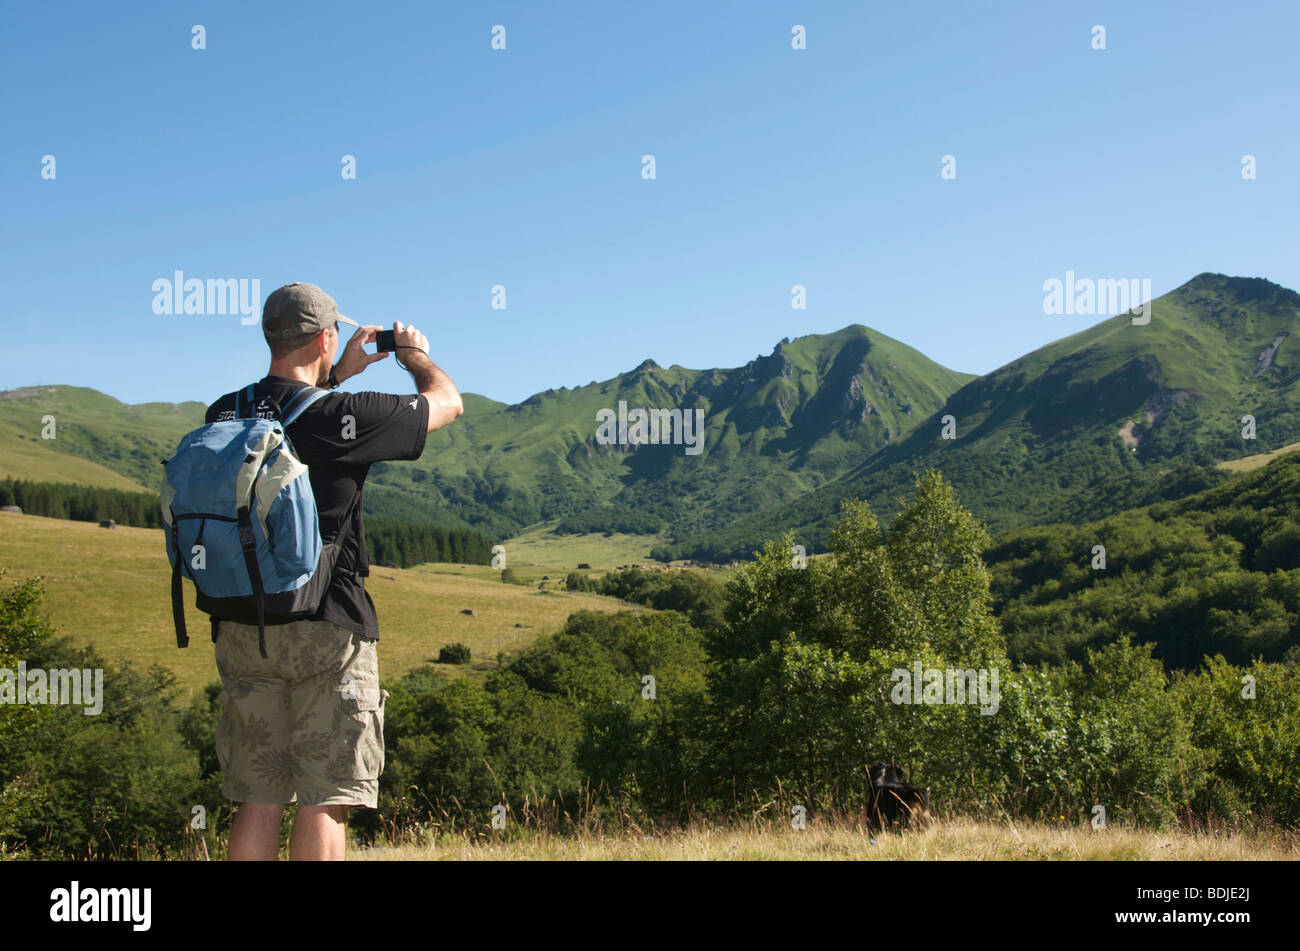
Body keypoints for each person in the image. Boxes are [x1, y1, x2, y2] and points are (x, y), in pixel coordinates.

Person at [202, 282, 462, 860]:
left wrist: (335, 373)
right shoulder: (346, 415)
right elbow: (446, 402)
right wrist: (412, 356)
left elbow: (286, 416)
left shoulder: (224, 412)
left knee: (257, 794)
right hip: (328, 624)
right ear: (326, 336)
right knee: (327, 796)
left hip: (243, 623)